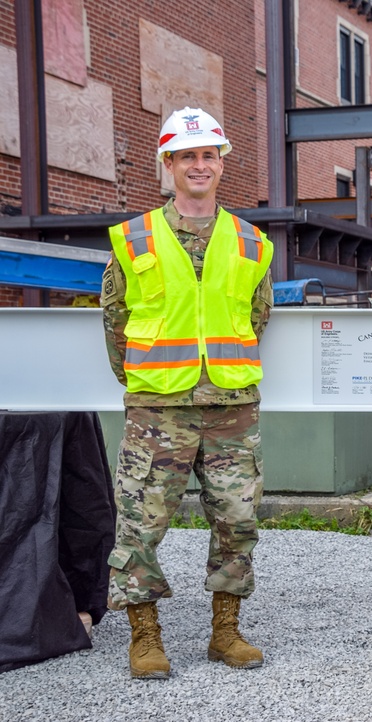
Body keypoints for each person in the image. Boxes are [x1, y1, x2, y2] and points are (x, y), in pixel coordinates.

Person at [100, 107, 274, 679]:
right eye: (187, 156)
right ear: (168, 164)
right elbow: (114, 317)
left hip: (231, 407)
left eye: (209, 155)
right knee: (141, 522)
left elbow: (259, 314)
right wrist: (145, 381)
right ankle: (144, 637)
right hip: (159, 410)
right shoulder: (133, 237)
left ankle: (226, 633)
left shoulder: (252, 242)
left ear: (221, 164)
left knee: (237, 519)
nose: (199, 165)